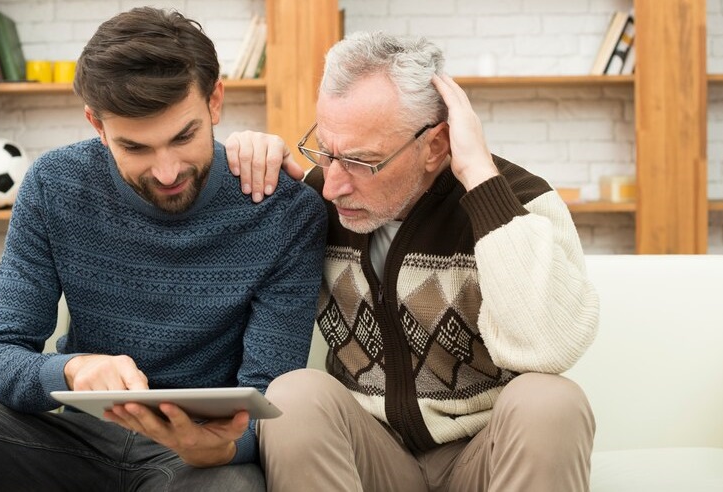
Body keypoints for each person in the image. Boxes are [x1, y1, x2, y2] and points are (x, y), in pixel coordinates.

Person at [0, 7, 326, 491]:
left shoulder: (284, 212)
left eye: (183, 137)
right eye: (136, 148)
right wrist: (70, 370)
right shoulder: (54, 185)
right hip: (74, 438)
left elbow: (271, 401)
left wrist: (224, 446)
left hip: (196, 459)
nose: (167, 171)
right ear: (97, 125)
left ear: (215, 101)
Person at [226, 31, 600, 491]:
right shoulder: (315, 205)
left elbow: (549, 349)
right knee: (293, 397)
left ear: (436, 146)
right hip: (371, 456)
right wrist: (242, 158)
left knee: (551, 401)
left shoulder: (520, 203)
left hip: (487, 459)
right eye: (326, 151)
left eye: (362, 161)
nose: (332, 186)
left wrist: (480, 178)